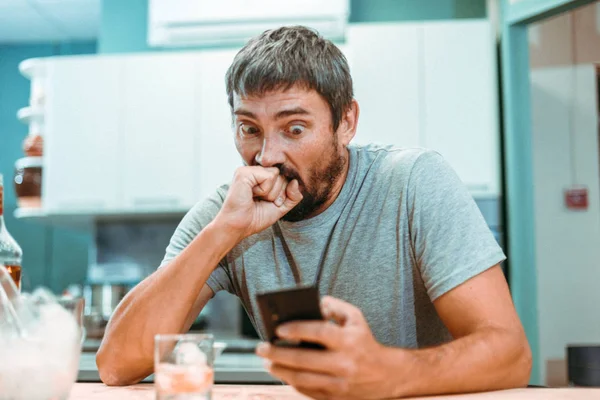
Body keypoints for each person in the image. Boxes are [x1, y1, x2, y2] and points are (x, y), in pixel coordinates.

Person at [97, 26, 532, 398]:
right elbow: (116, 365)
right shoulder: (225, 213)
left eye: (295, 129)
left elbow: (509, 353)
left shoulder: (414, 182)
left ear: (346, 122)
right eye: (249, 129)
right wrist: (221, 235)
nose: (267, 157)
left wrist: (387, 372)